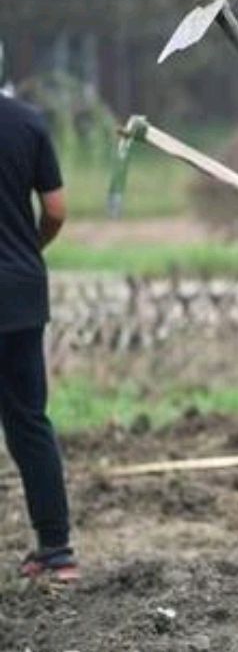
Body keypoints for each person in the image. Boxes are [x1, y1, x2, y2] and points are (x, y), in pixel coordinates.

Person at [0, 92, 78, 582]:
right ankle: (56, 551)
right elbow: (56, 209)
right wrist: (27, 249)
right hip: (20, 293)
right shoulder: (28, 122)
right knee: (29, 421)